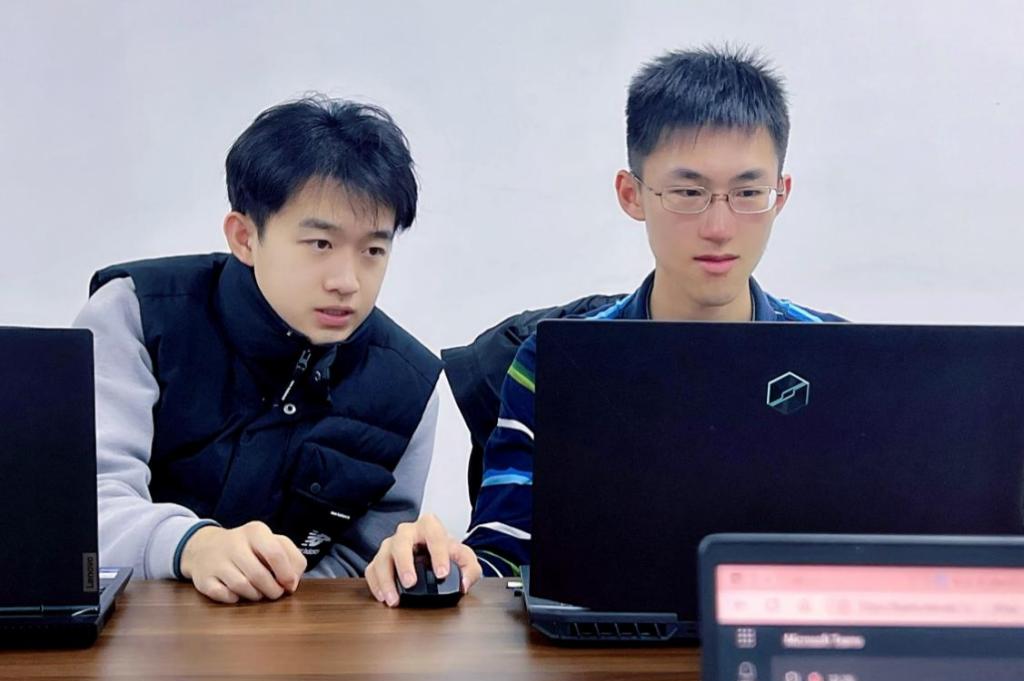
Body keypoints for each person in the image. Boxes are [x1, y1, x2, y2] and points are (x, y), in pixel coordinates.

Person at [364, 46, 843, 603]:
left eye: (748, 193)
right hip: (598, 646)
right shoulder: (556, 362)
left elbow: (874, 549)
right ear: (632, 195)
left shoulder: (837, 359)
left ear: (780, 196)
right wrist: (442, 559)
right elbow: (504, 559)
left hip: (793, 640)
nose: (719, 225)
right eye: (688, 193)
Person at [74, 96, 448, 604]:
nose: (347, 281)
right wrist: (192, 546)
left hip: (301, 644)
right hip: (127, 635)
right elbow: (81, 504)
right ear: (245, 237)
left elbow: (362, 562)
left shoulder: (409, 386)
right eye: (320, 244)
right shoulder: (137, 314)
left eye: (373, 250)